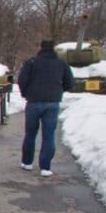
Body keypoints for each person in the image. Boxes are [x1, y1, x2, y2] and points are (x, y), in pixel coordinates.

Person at [17, 40, 75, 177]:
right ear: (53, 48)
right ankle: (45, 167)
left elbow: (22, 80)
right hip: (53, 102)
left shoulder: (31, 62)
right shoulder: (61, 63)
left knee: (30, 133)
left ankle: (27, 162)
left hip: (34, 101)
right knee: (49, 135)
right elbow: (70, 83)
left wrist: (26, 93)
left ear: (40, 47)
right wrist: (58, 90)